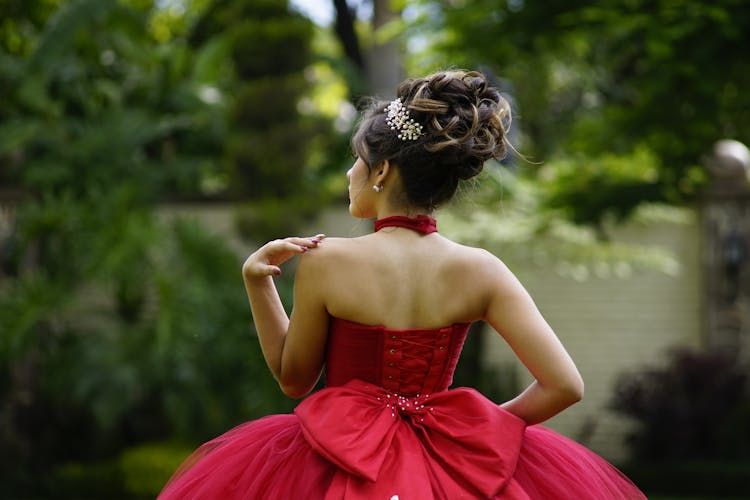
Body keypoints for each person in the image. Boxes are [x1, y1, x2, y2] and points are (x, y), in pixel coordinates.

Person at [159, 70, 646, 499]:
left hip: (333, 461)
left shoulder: (327, 262)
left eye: (357, 160)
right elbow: (564, 385)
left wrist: (257, 283)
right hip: (450, 470)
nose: (350, 173)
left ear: (382, 171)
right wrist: (474, 432)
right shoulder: (482, 270)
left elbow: (294, 380)